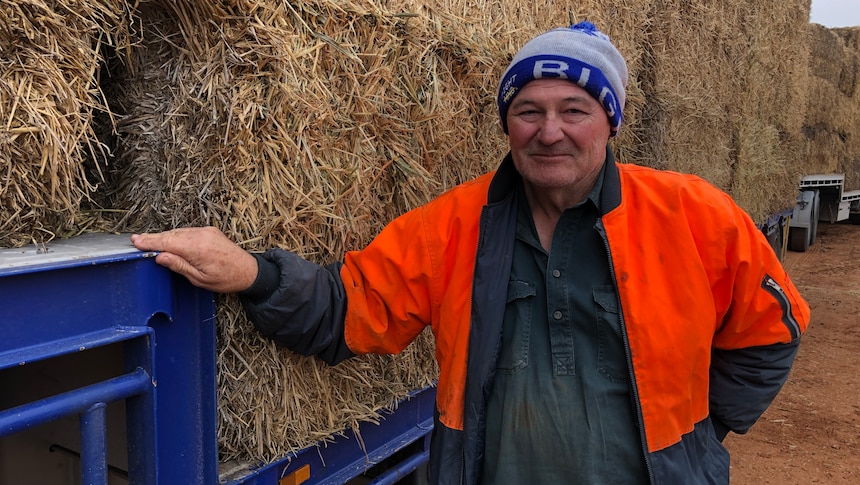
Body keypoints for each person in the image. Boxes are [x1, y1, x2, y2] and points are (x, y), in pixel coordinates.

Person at [131, 21, 810, 485]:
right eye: (528, 110)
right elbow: (351, 309)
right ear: (507, 121)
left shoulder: (693, 215)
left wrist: (699, 433)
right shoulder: (457, 224)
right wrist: (248, 270)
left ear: (610, 119)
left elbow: (773, 329)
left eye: (574, 109)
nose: (549, 132)